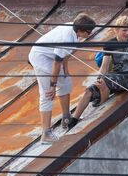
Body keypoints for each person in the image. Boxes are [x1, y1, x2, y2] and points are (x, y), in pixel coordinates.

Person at [67, 16, 128, 130]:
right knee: (89, 91)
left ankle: (101, 97)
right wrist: (99, 79)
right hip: (113, 78)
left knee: (105, 82)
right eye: (124, 30)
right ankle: (73, 121)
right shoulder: (110, 44)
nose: (127, 33)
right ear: (116, 30)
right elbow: (104, 65)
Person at [28, 13, 96, 144]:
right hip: (41, 58)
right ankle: (46, 134)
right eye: (89, 31)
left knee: (66, 82)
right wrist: (53, 85)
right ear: (80, 30)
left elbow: (65, 55)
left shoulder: (74, 31)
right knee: (47, 94)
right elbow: (56, 62)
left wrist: (66, 68)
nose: (91, 33)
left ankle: (66, 119)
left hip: (52, 58)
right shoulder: (67, 38)